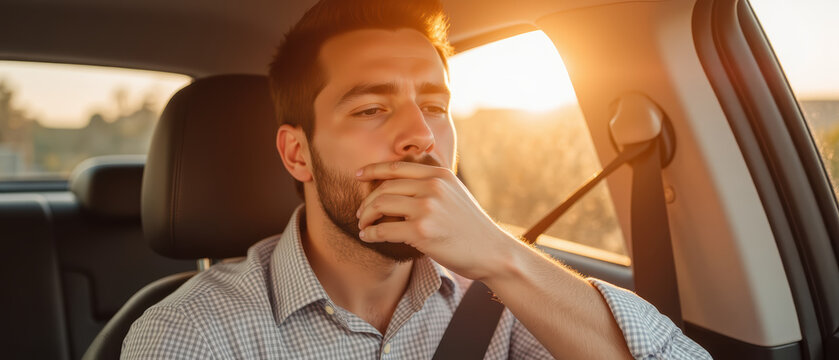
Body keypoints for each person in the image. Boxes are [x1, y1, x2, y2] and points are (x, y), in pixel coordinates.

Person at [122, 0, 711, 358]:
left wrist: (502, 257)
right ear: (298, 154)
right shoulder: (194, 334)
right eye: (371, 108)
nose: (421, 137)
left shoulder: (505, 300)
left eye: (433, 106)